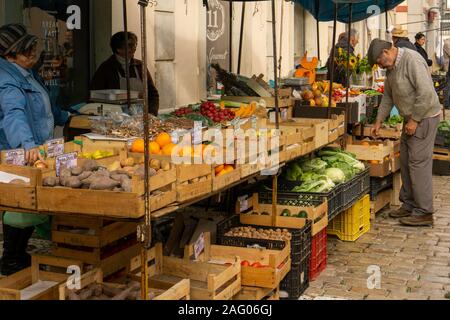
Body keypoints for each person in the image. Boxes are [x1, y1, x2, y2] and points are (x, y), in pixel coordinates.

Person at [0, 24, 70, 275]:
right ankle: (10, 260)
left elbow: (45, 104)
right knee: (20, 203)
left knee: (27, 204)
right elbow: (13, 114)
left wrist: (67, 116)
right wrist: (27, 145)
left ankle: (18, 255)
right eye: (25, 50)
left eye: (32, 48)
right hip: (15, 149)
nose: (33, 54)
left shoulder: (27, 73)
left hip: (36, 146)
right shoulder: (7, 79)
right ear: (9, 55)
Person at [368, 39, 441, 227]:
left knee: (418, 163)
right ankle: (409, 204)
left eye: (379, 61)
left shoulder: (412, 60)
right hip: (410, 119)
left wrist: (415, 120)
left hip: (424, 118)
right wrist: (378, 120)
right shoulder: (391, 69)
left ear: (387, 51)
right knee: (406, 160)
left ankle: (424, 211)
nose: (380, 65)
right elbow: (388, 96)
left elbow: (426, 94)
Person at [91, 32, 159, 116]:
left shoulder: (140, 66)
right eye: (130, 45)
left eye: (135, 45)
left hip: (141, 117)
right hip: (116, 117)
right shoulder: (106, 68)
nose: (134, 48)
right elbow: (96, 96)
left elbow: (152, 93)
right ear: (118, 49)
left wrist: (151, 113)